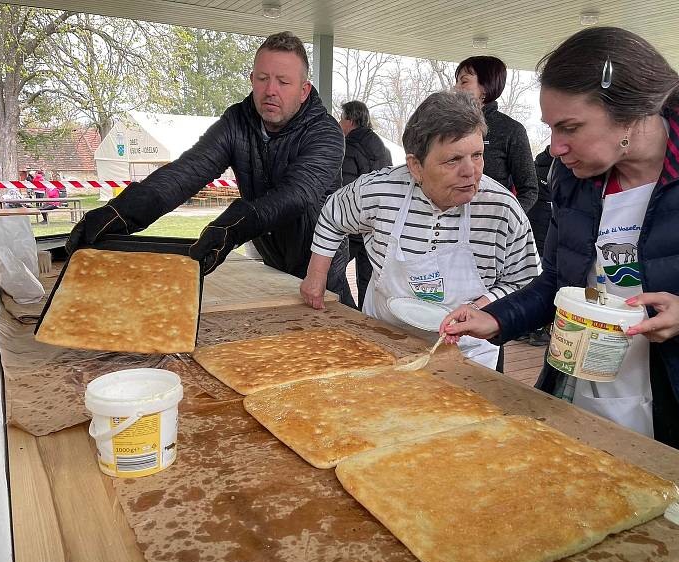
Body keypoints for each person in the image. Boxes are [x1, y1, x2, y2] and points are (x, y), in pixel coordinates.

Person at [440, 27, 679, 480]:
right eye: (552, 128)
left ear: (630, 115)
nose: (555, 147)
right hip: (583, 394)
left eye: (570, 128)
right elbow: (558, 283)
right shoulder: (573, 177)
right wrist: (498, 318)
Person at [66, 31, 355, 307]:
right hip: (274, 263)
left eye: (283, 82)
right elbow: (187, 172)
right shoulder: (236, 122)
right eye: (263, 78)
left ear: (304, 90)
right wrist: (121, 212)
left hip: (321, 268)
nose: (270, 91)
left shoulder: (325, 133)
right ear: (252, 79)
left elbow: (297, 194)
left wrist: (232, 226)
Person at [301, 91, 539, 371]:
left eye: (477, 155)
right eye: (453, 160)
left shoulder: (502, 209)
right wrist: (316, 275)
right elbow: (333, 215)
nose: (470, 172)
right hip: (382, 339)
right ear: (415, 166)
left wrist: (482, 307)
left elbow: (525, 283)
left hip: (466, 353)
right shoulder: (380, 190)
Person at [455, 56, 538, 214]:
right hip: (448, 226)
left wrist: (505, 220)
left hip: (489, 230)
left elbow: (529, 190)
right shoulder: (449, 127)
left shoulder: (511, 130)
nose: (455, 88)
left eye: (463, 81)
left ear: (485, 87)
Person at [339, 100, 393, 308]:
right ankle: (365, 320)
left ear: (351, 120)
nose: (340, 122)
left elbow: (343, 188)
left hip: (353, 225)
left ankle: (348, 313)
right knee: (367, 280)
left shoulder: (348, 147)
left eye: (342, 118)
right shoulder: (383, 148)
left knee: (328, 271)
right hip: (377, 225)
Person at [525, 147, 554, 346]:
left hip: (534, 223)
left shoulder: (536, 167)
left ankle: (524, 328)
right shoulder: (558, 170)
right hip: (546, 227)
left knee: (534, 277)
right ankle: (537, 331)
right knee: (544, 278)